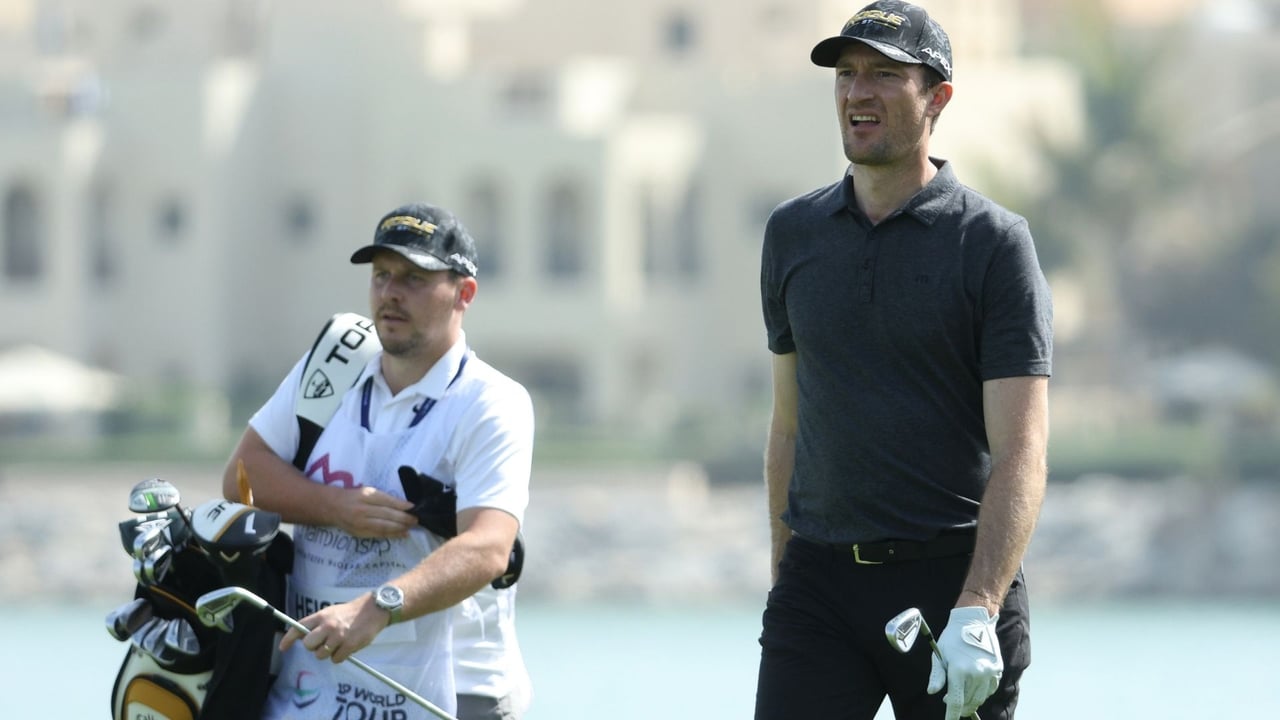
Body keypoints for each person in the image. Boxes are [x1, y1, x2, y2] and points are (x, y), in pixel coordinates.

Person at [754, 2, 1053, 719]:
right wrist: (783, 579)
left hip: (953, 582)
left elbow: (1022, 450)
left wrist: (979, 605)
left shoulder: (993, 244)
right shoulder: (792, 234)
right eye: (848, 75)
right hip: (820, 587)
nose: (858, 92)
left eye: (886, 76)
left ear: (937, 97)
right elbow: (790, 428)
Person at [223, 202, 534, 720]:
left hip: (452, 691)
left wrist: (376, 608)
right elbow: (242, 476)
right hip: (313, 682)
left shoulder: (493, 401)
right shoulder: (334, 362)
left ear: (464, 293)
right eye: (382, 275)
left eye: (414, 278)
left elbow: (488, 548)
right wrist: (335, 505)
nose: (390, 292)